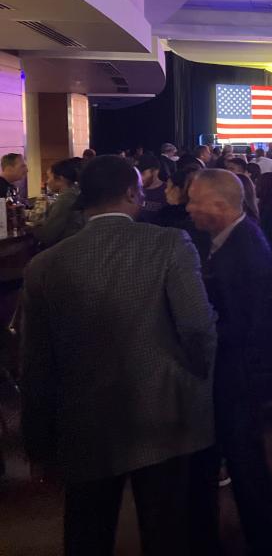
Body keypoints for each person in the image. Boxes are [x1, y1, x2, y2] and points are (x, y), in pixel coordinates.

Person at [20, 155, 217, 554]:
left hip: (84, 420)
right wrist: (195, 380)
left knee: (88, 532)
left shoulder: (44, 266)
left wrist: (38, 443)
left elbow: (36, 364)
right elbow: (197, 327)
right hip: (165, 412)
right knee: (167, 533)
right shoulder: (168, 244)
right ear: (132, 193)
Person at [187, 169, 272, 554]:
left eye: (195, 200)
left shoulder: (241, 249)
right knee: (244, 464)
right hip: (239, 373)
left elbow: (240, 324)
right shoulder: (237, 236)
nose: (188, 208)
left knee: (245, 465)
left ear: (221, 206)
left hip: (237, 376)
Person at [32, 157, 84, 246]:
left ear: (61, 179)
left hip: (67, 250)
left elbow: (47, 235)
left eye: (49, 177)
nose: (47, 182)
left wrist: (32, 227)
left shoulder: (66, 199)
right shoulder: (78, 193)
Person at [137, 153, 167, 224]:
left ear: (155, 171)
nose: (139, 178)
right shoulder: (134, 191)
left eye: (142, 173)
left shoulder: (168, 192)